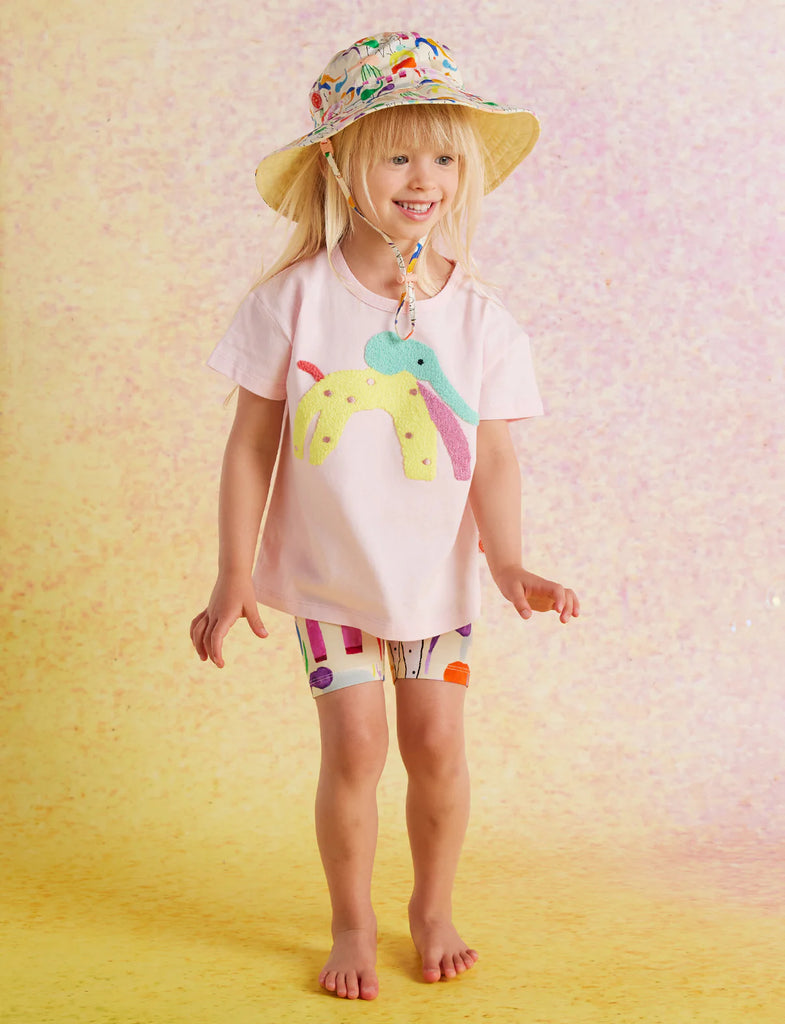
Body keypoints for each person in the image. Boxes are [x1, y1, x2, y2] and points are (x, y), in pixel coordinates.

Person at [190, 30, 579, 1002]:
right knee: (355, 745)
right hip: (329, 580)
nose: (423, 178)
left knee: (437, 743)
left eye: (443, 155)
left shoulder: (479, 317)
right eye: (398, 152)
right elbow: (249, 445)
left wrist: (509, 562)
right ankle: (352, 920)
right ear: (339, 160)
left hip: (434, 583)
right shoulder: (293, 302)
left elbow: (489, 450)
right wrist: (234, 572)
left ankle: (432, 906)